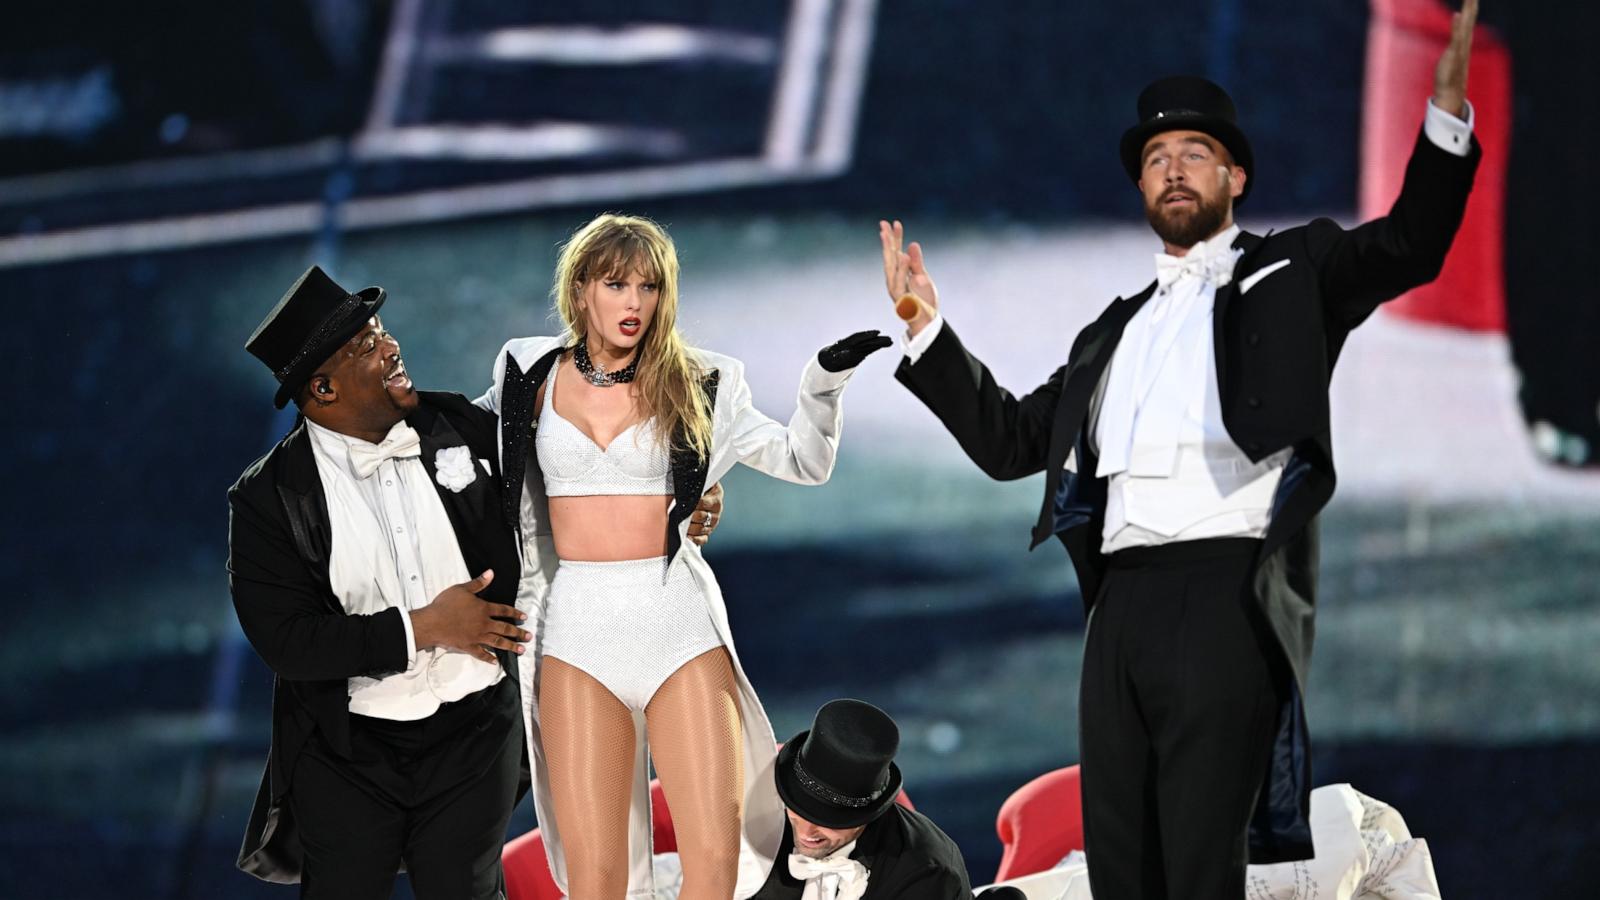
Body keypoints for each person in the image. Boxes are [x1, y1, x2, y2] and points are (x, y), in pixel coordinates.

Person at [882, 3, 1482, 897]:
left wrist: (1443, 118)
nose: (1172, 170)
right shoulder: (1108, 336)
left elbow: (1411, 243)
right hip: (1117, 612)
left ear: (1235, 174)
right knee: (1121, 870)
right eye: (1156, 160)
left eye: (1193, 153)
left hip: (1225, 595)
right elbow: (1012, 443)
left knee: (1202, 866)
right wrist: (928, 335)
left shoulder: (1297, 272)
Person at [477, 213, 891, 900]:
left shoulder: (704, 380)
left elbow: (802, 461)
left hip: (676, 626)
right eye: (617, 285)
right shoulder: (527, 371)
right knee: (596, 875)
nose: (635, 303)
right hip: (575, 629)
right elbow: (471, 444)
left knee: (714, 860)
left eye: (650, 287)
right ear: (581, 291)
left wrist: (822, 385)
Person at [228, 266, 529, 898]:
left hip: (476, 737)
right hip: (347, 759)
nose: (392, 347)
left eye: (382, 332)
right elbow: (289, 642)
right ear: (324, 388)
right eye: (366, 346)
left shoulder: (459, 429)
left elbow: (567, 490)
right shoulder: (270, 499)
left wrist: (683, 504)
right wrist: (422, 628)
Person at [749, 699, 973, 900]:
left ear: (864, 815)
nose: (806, 832)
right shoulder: (752, 824)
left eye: (825, 820)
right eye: (798, 808)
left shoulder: (926, 875)